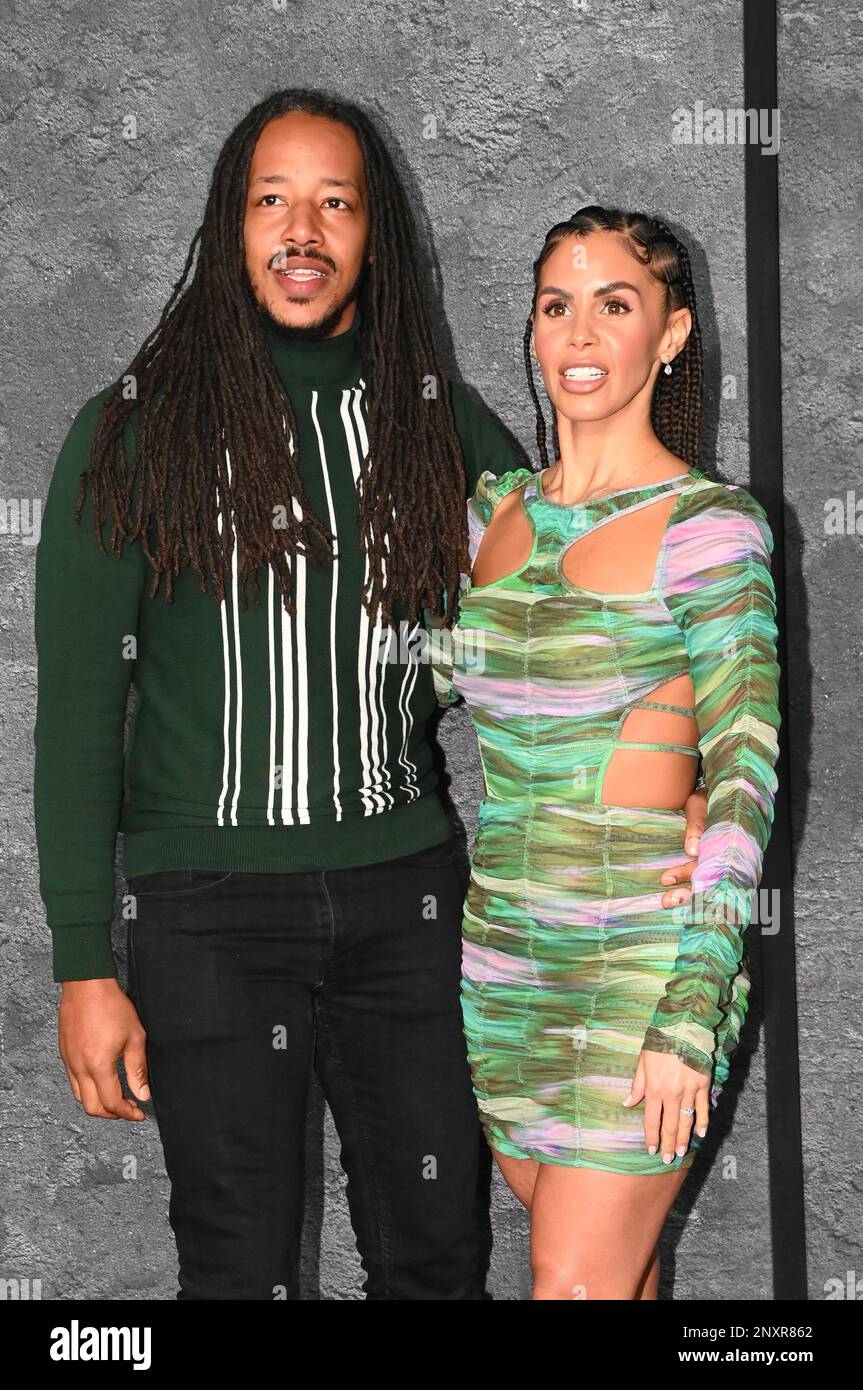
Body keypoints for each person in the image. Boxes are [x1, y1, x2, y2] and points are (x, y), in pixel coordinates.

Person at [34, 90, 708, 1302]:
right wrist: (84, 965)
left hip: (410, 904)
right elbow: (76, 722)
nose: (302, 229)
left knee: (438, 1255)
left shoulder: (440, 427)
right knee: (238, 1268)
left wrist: (694, 790)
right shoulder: (126, 437)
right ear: (228, 226)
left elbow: (593, 617)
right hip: (206, 915)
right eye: (271, 201)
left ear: (373, 234)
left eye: (335, 202)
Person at [429, 206, 781, 1300]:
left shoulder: (709, 525)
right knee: (613, 1283)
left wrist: (692, 1000)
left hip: (641, 960)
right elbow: (410, 678)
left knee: (570, 1285)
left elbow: (741, 768)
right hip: (500, 960)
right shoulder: (490, 513)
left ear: (668, 335)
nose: (580, 334)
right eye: (556, 305)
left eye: (614, 305)